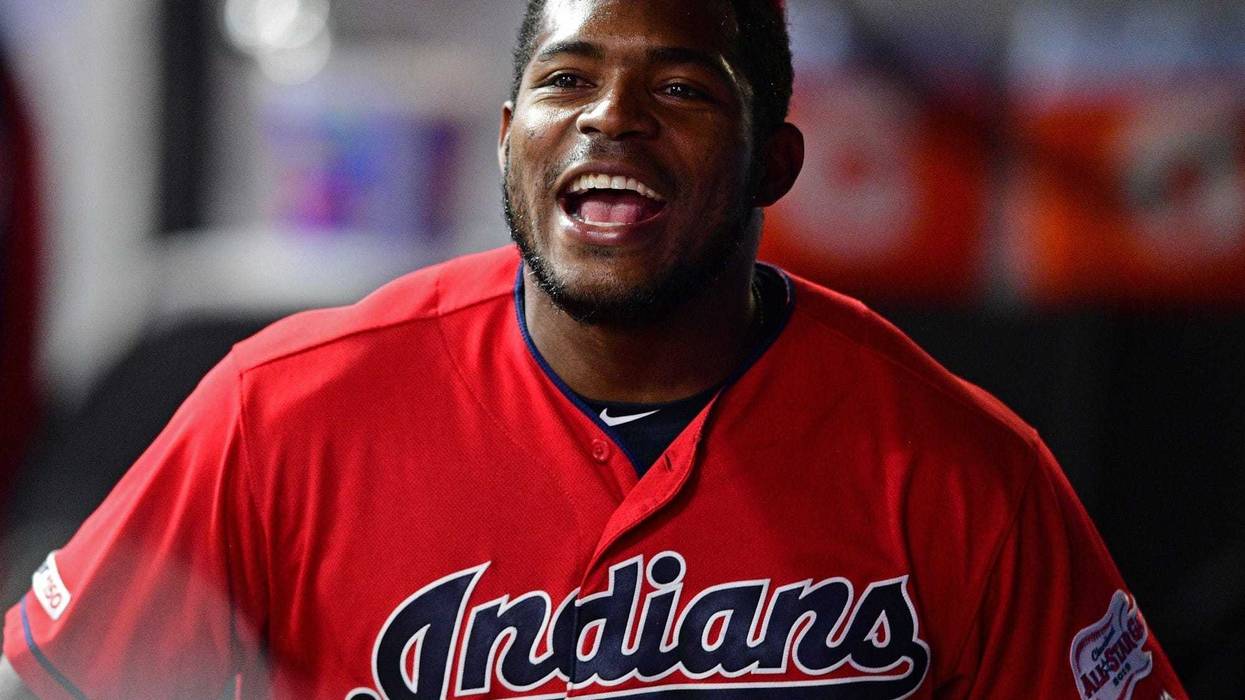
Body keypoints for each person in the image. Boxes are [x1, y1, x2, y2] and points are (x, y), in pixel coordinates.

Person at [0, 0, 1189, 697]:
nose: (610, 118)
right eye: (568, 79)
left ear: (776, 161)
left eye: (678, 87)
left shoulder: (957, 464)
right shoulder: (282, 411)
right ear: (512, 138)